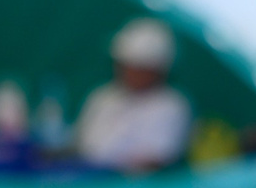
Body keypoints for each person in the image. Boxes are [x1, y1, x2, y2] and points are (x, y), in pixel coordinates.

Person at [74, 18, 192, 173]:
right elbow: (78, 147)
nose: (129, 73)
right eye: (125, 65)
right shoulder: (102, 96)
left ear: (159, 70)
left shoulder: (173, 106)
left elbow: (155, 163)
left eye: (139, 67)